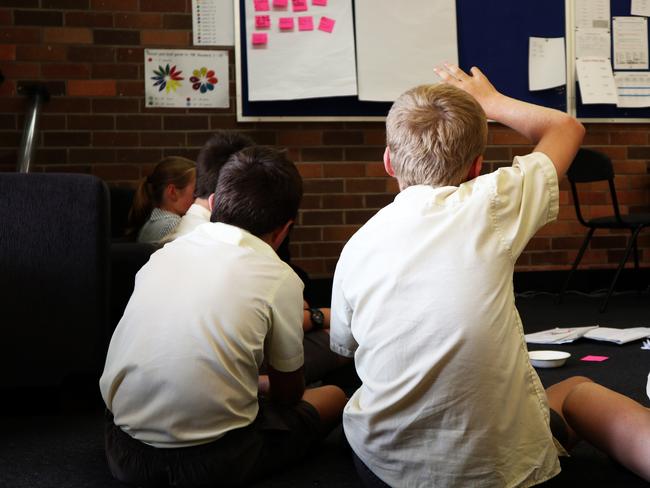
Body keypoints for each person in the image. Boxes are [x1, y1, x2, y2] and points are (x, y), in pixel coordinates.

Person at [330, 63, 587, 487]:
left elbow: (345, 344)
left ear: (389, 163)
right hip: (503, 470)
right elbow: (565, 128)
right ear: (477, 167)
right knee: (577, 394)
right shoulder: (492, 201)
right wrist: (492, 102)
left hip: (386, 470)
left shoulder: (357, 246)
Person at [100, 145, 347, 487]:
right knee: (333, 396)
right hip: (213, 461)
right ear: (284, 229)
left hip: (122, 449)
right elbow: (289, 394)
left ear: (212, 204)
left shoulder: (163, 254)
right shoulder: (279, 277)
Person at [163, 130, 349, 386]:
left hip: (124, 413)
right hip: (214, 392)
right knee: (339, 352)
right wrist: (316, 315)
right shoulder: (260, 265)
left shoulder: (170, 248)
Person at [127, 156, 196, 243]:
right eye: (196, 190)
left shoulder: (150, 222)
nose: (199, 196)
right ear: (172, 192)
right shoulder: (174, 225)